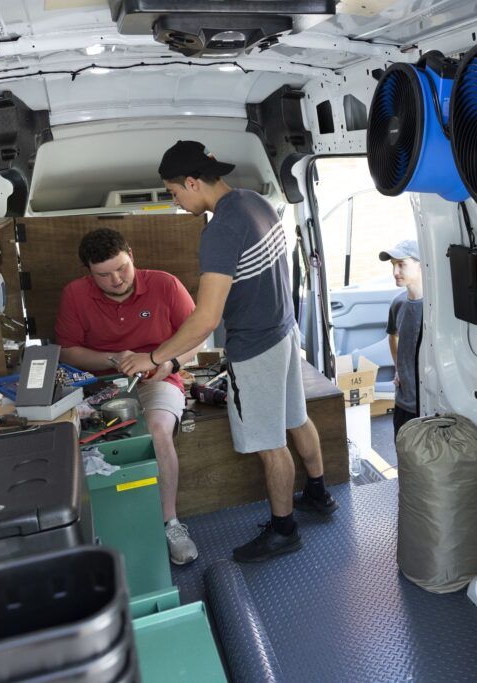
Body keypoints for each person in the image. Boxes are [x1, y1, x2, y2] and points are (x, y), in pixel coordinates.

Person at [121, 140, 338, 563]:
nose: (176, 201)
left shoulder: (219, 230)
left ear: (190, 182)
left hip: (255, 346)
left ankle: (284, 529)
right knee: (297, 418)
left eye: (174, 192)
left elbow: (205, 319)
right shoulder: (254, 201)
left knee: (268, 443)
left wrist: (153, 358)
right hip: (284, 333)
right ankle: (319, 494)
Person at [55, 228, 203, 566]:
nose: (116, 279)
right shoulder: (75, 295)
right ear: (88, 273)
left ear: (132, 255)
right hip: (97, 384)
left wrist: (170, 362)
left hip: (158, 377)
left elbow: (197, 335)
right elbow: (68, 352)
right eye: (104, 275)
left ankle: (171, 524)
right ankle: (91, 532)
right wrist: (115, 359)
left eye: (122, 268)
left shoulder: (166, 285)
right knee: (71, 438)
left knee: (158, 430)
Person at [381, 239, 423, 437]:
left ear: (421, 264)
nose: (395, 272)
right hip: (403, 401)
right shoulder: (398, 304)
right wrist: (398, 367)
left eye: (401, 264)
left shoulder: (435, 307)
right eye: (393, 266)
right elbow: (393, 337)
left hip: (428, 403)